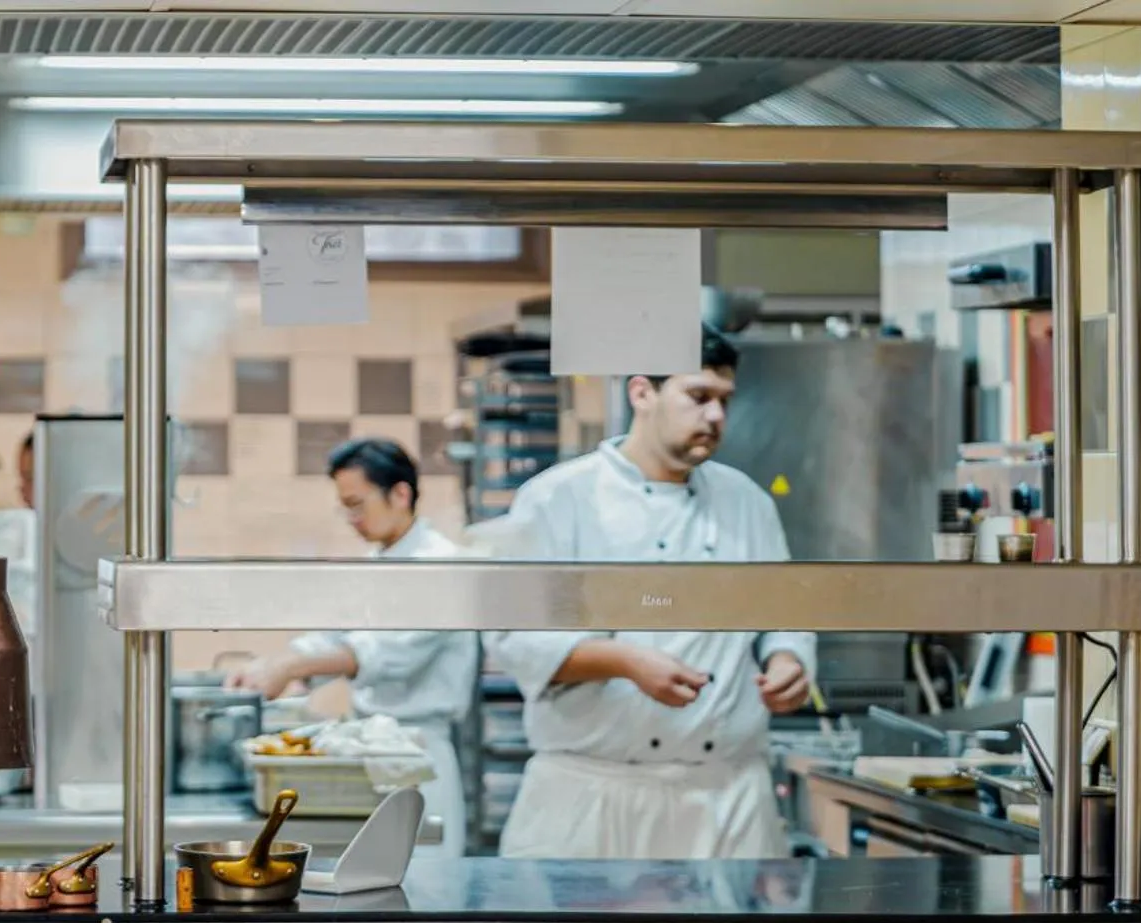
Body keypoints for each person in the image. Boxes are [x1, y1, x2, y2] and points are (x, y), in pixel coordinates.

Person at [486, 327, 813, 859]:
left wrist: (788, 659)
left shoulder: (746, 501)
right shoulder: (558, 498)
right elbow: (515, 640)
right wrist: (624, 660)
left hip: (726, 799)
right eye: (698, 396)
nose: (715, 417)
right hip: (591, 798)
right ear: (642, 393)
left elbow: (786, 612)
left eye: (724, 401)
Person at [227, 438, 478, 854]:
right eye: (344, 506)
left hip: (419, 757)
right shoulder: (379, 564)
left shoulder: (443, 565)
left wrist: (292, 668)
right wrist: (272, 667)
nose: (350, 518)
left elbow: (382, 655)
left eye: (357, 504)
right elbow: (336, 636)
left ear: (400, 493)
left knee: (427, 894)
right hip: (369, 756)